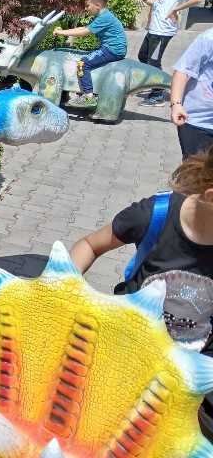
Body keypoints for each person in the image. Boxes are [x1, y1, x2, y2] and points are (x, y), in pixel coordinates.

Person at [69, 148, 213, 438]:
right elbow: (90, 245)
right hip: (128, 356)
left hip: (193, 373)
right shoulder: (156, 214)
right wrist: (67, 289)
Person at [138, 0, 204, 107]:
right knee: (143, 56)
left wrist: (176, 9)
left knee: (153, 61)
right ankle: (155, 84)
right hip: (154, 28)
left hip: (163, 31)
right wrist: (150, 1)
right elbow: (162, 4)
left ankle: (158, 95)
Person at [54, 0, 128, 109]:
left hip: (113, 50)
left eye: (88, 5)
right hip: (110, 48)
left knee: (82, 63)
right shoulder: (102, 15)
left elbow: (84, 32)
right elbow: (84, 28)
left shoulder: (104, 17)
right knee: (85, 57)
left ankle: (88, 97)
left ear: (98, 5)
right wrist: (64, 31)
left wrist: (61, 32)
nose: (86, 8)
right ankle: (83, 90)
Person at [169, 27, 213, 159]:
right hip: (197, 121)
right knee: (197, 168)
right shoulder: (209, 38)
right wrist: (176, 104)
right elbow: (183, 70)